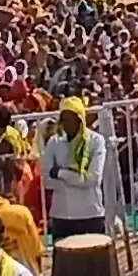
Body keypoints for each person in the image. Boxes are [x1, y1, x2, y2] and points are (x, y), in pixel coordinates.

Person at [40, 99, 108, 241]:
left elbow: (93, 179)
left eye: (70, 119)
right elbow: (47, 180)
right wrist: (77, 179)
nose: (66, 124)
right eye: (63, 120)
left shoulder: (96, 141)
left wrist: (60, 173)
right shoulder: (54, 142)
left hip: (91, 214)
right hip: (62, 215)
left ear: (80, 119)